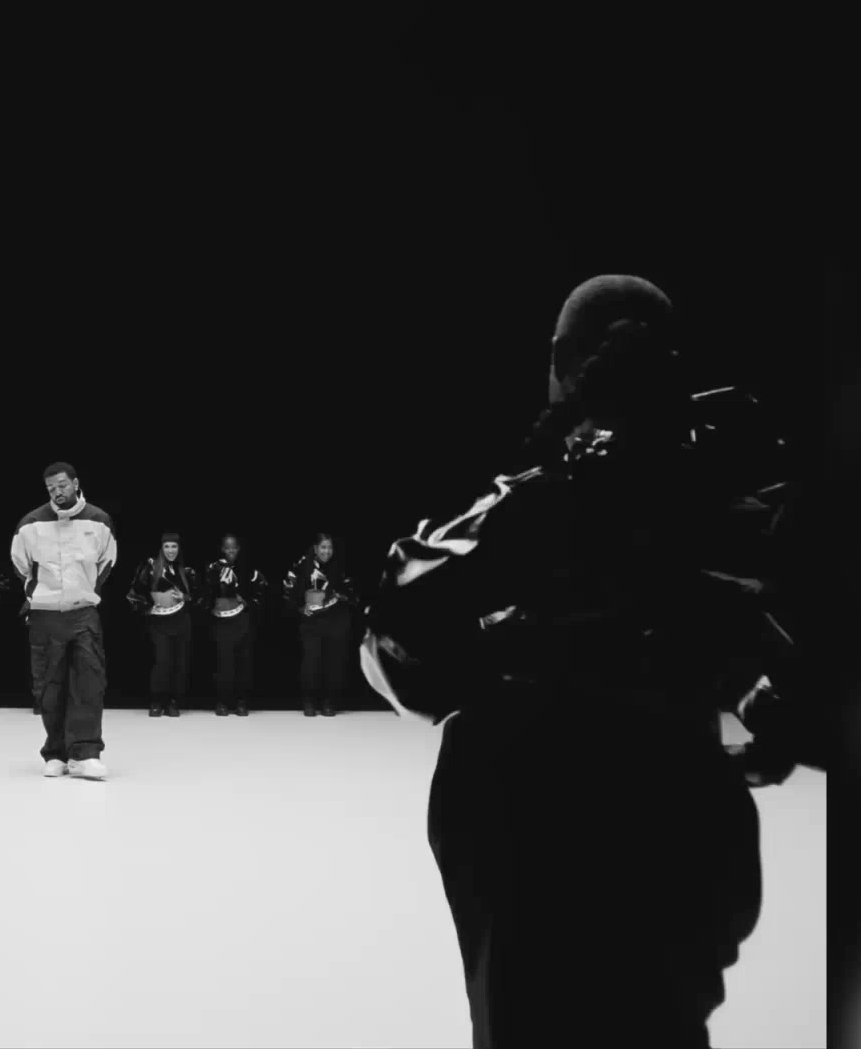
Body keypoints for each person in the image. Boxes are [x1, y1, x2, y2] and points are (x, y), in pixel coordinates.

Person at [360, 274, 806, 1047]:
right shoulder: (731, 502)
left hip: (533, 846)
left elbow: (399, 647)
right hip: (681, 839)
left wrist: (546, 485)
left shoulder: (539, 507)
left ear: (563, 364)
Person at [10, 462, 118, 780]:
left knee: (89, 683)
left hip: (83, 612)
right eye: (51, 488)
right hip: (44, 614)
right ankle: (56, 752)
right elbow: (20, 564)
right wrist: (40, 592)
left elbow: (107, 561)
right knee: (48, 687)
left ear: (75, 483)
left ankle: (85, 754)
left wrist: (85, 588)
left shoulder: (99, 520)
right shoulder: (30, 523)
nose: (57, 492)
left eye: (62, 485)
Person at [126, 530, 201, 717]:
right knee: (162, 661)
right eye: (167, 546)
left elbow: (199, 597)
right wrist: (147, 608)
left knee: (179, 662)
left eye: (174, 546)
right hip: (159, 622)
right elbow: (135, 592)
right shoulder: (151, 567)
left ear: (179, 548)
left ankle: (173, 702)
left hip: (181, 620)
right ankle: (157, 701)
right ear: (161, 548)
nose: (170, 550)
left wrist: (185, 596)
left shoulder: (186, 571)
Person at [283, 533, 360, 716]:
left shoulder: (339, 566)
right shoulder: (302, 565)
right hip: (311, 621)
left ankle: (329, 702)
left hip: (335, 619)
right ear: (315, 548)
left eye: (330, 547)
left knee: (333, 662)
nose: (327, 551)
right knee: (311, 661)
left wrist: (343, 596)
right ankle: (309, 701)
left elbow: (352, 592)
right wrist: (299, 607)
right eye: (323, 547)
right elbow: (287, 589)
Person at [202, 532, 271, 716]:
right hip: (221, 620)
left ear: (238, 549)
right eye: (227, 548)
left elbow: (262, 590)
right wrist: (211, 603)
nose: (231, 551)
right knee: (223, 662)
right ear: (222, 549)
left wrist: (247, 600)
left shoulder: (248, 570)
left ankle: (241, 701)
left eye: (234, 548)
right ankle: (222, 701)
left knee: (243, 661)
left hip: (241, 620)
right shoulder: (213, 568)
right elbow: (206, 592)